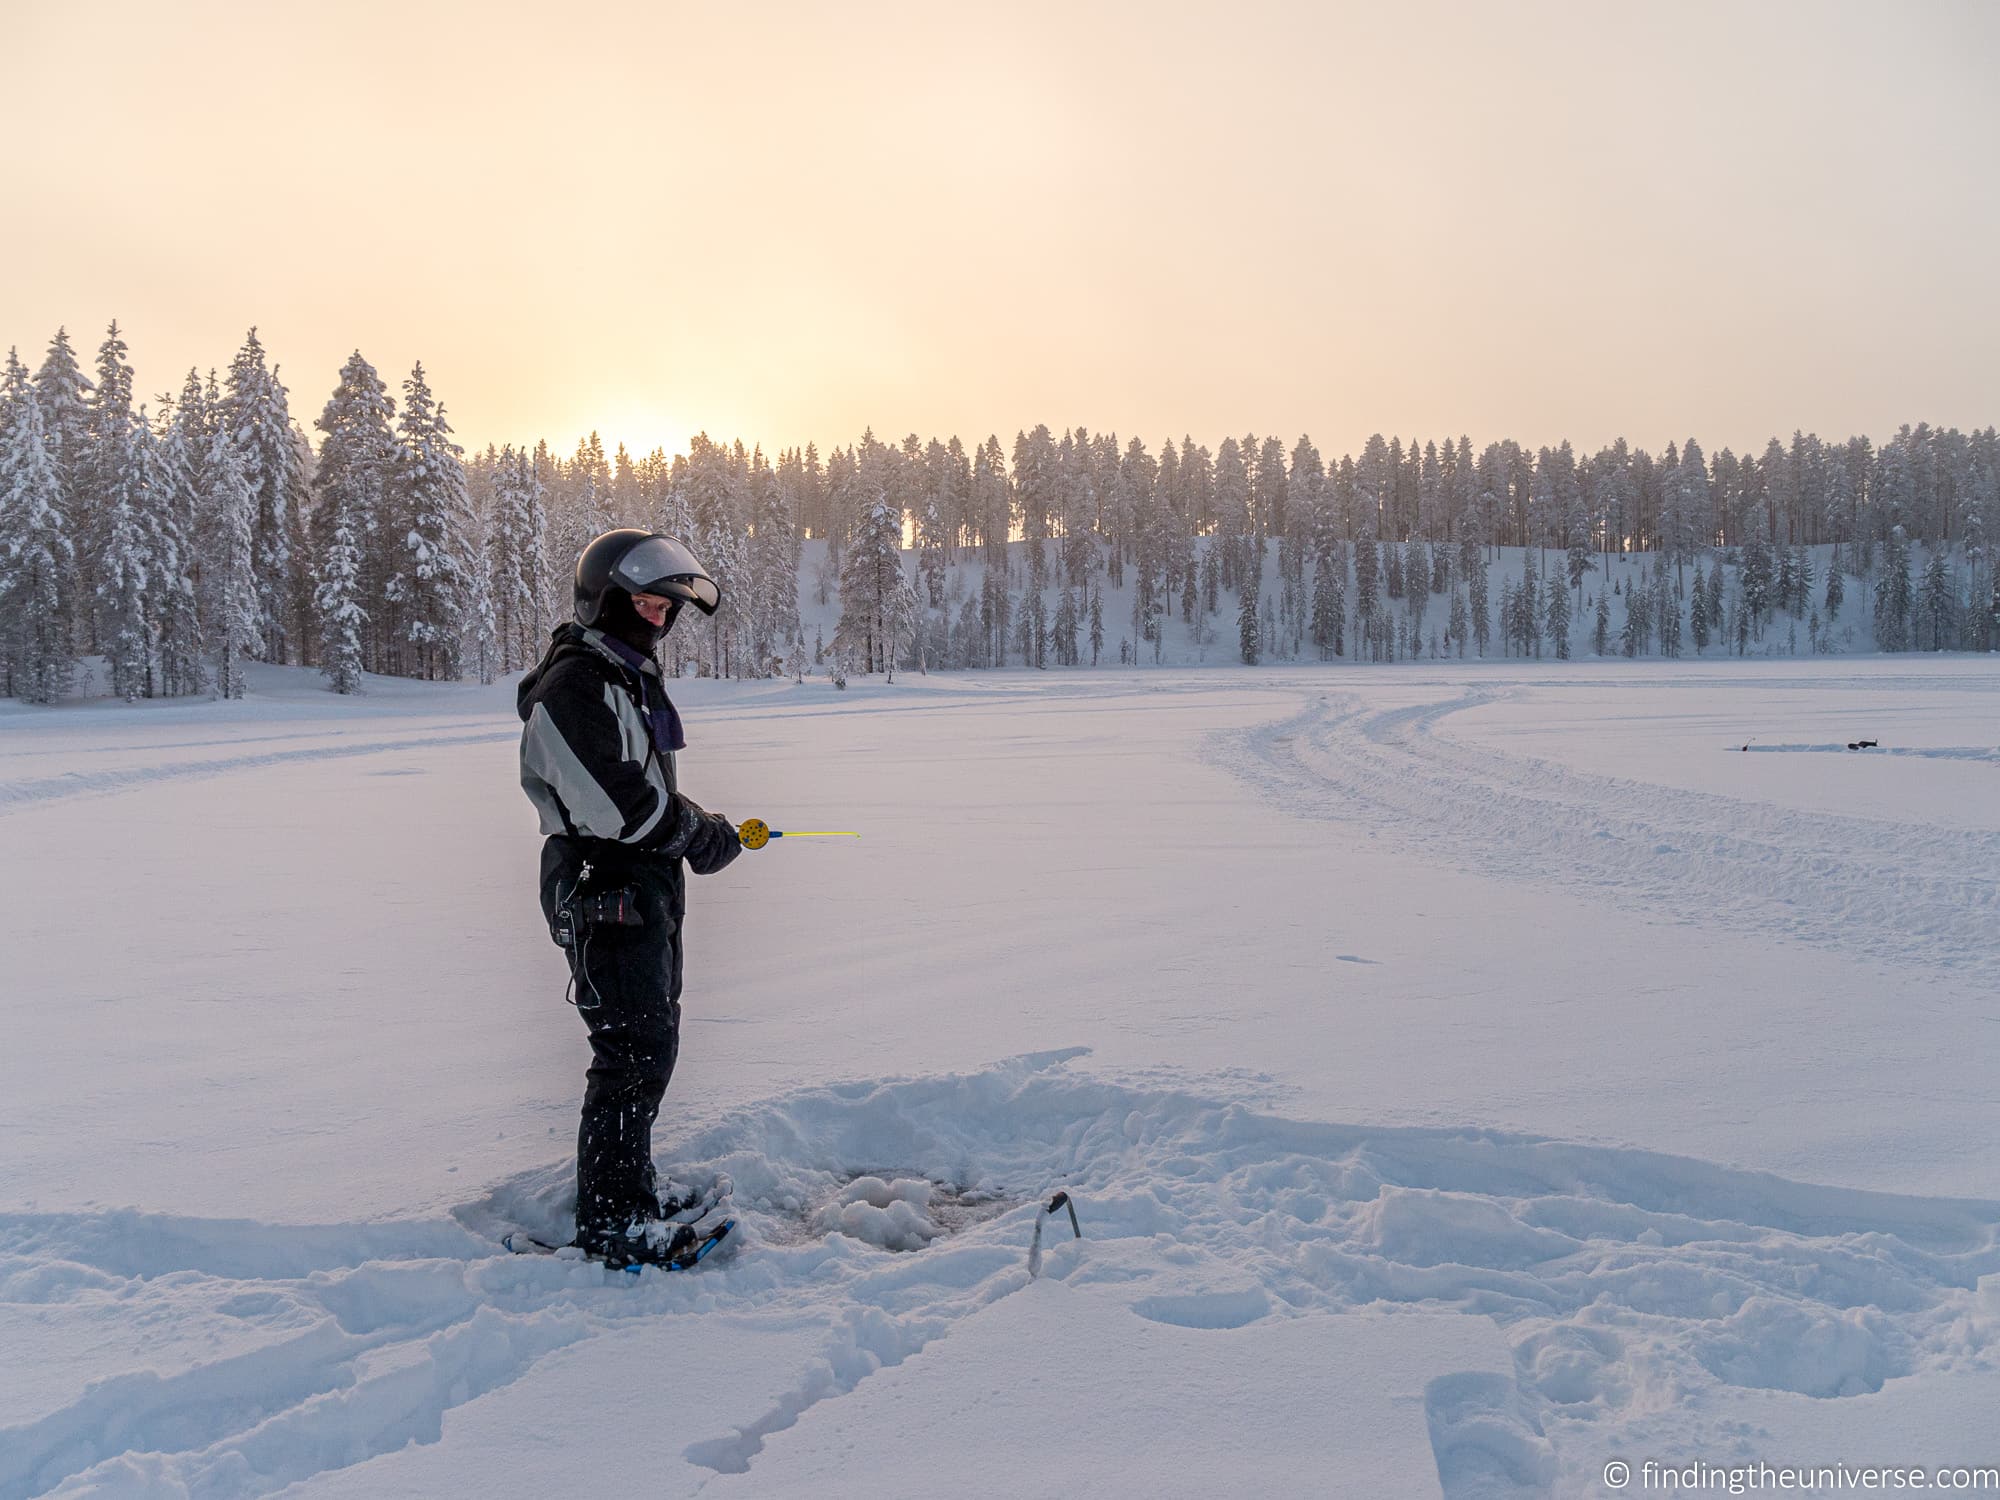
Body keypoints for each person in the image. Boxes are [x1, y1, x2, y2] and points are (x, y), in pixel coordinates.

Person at [516, 529, 743, 1268]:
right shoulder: (574, 686)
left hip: (637, 882)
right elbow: (624, 808)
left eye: (663, 608)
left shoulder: (619, 677)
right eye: (643, 604)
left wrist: (693, 830)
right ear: (604, 600)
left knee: (652, 1041)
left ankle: (630, 1188)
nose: (654, 619)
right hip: (602, 882)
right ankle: (614, 1224)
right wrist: (698, 834)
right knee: (630, 1049)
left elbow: (642, 791)